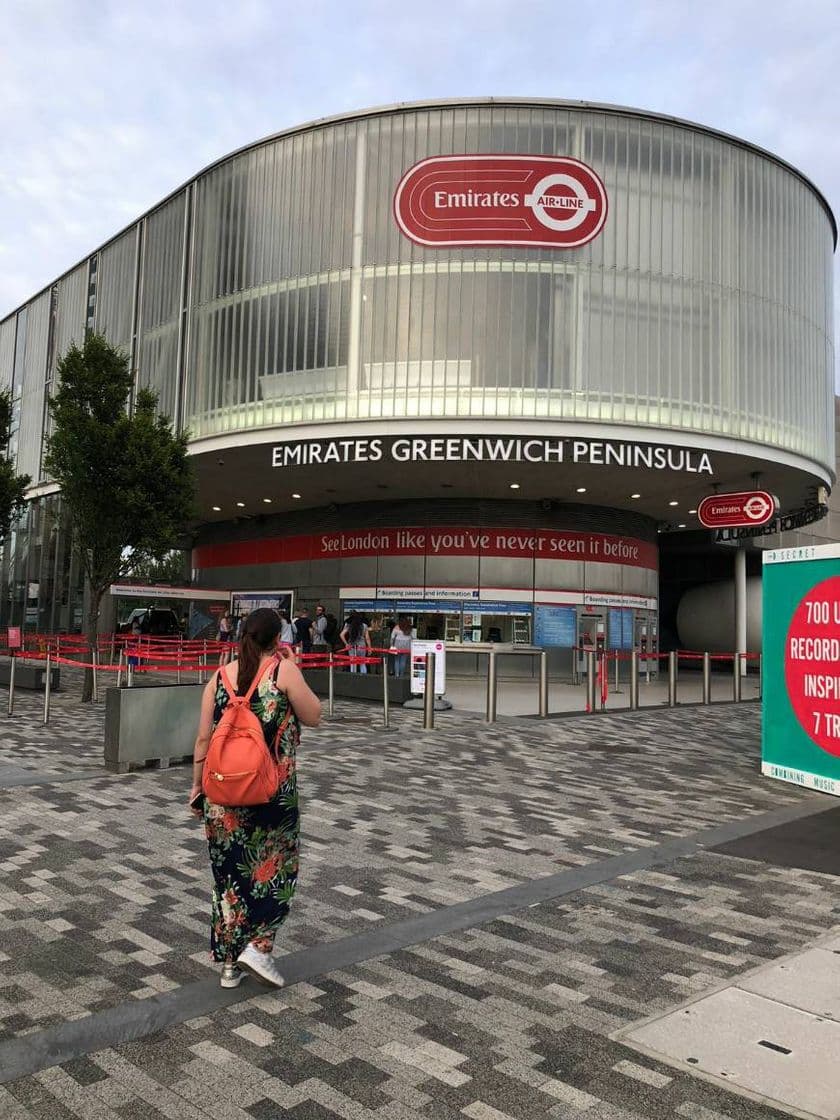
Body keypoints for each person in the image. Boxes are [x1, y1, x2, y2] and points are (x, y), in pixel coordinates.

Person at [189, 607, 321, 989]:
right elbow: (314, 716)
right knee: (276, 869)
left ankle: (230, 965)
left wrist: (197, 787)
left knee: (229, 880)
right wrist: (295, 668)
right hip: (271, 796)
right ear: (277, 639)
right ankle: (259, 948)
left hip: (222, 796)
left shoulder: (219, 677)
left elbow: (202, 738)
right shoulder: (282, 672)